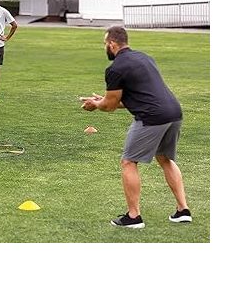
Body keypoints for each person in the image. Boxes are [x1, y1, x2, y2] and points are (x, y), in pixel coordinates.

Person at [81, 25, 191, 229]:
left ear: (112, 44)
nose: (105, 47)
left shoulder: (115, 68)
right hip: (174, 112)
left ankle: (134, 217)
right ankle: (183, 210)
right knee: (165, 159)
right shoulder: (145, 58)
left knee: (128, 162)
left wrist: (96, 104)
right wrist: (103, 99)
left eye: (105, 44)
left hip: (152, 117)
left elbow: (110, 106)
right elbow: (138, 97)